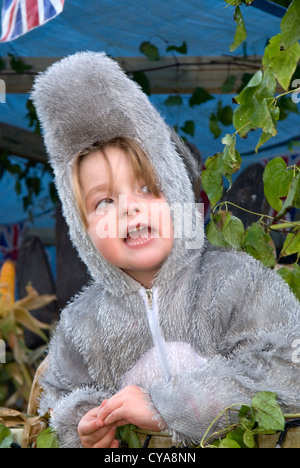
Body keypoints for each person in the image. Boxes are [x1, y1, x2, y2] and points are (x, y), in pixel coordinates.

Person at [32, 52, 300, 449]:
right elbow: (56, 397)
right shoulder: (80, 323)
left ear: (175, 192)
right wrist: (83, 423)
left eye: (146, 188)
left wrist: (169, 407)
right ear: (82, 229)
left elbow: (288, 364)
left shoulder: (235, 280)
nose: (129, 208)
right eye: (104, 202)